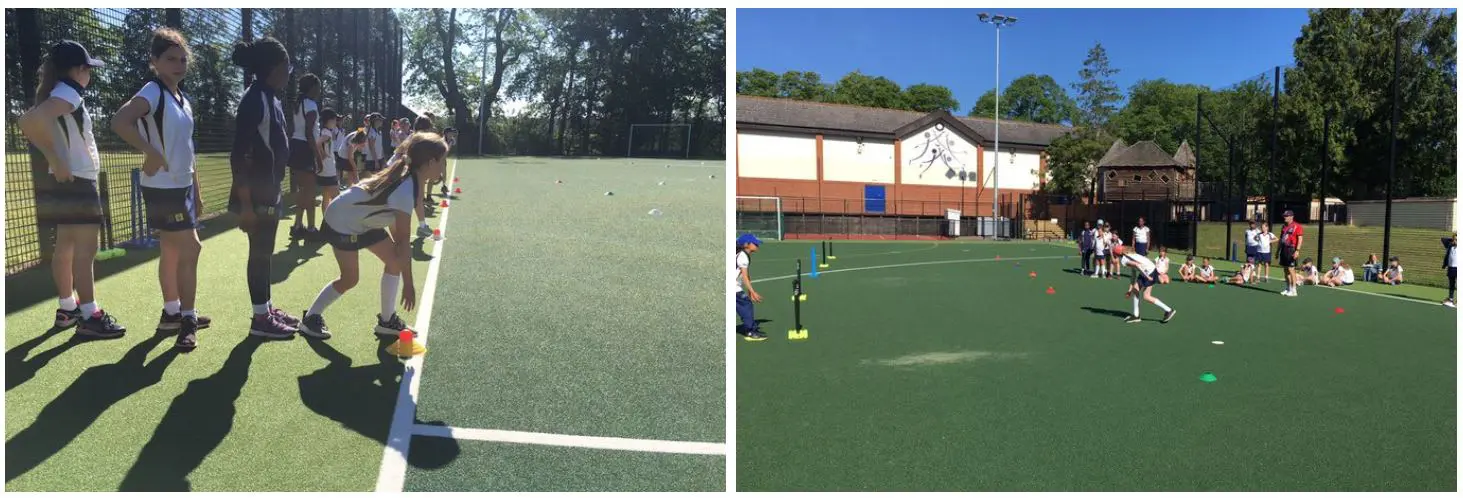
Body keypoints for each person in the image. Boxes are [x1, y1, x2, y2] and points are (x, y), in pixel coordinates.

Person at [18, 40, 127, 339]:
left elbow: (32, 121)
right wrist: (56, 159)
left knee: (65, 245)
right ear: (79, 70)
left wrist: (56, 161)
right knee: (85, 249)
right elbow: (28, 121)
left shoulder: (59, 92)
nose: (89, 74)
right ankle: (90, 315)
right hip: (78, 180)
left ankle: (68, 308)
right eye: (88, 69)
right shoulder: (69, 92)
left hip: (67, 181)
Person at [111, 28, 211, 348]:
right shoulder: (153, 91)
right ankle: (188, 318)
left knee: (171, 249)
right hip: (162, 187)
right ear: (155, 61)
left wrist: (195, 189)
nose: (179, 64)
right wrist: (151, 152)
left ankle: (171, 314)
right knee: (191, 248)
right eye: (171, 59)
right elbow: (120, 121)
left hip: (180, 186)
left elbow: (187, 148)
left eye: (183, 59)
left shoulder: (183, 99)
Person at [298, 133, 446, 340]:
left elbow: (396, 232)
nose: (443, 166)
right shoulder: (406, 188)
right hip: (342, 221)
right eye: (442, 161)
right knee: (350, 279)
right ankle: (310, 318)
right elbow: (403, 241)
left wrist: (401, 263)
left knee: (394, 261)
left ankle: (387, 322)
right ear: (431, 162)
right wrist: (409, 285)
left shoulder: (412, 180)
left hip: (363, 221)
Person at [228, 36, 300, 338]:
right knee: (259, 252)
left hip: (269, 190)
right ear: (274, 68)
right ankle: (260, 319)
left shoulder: (270, 97)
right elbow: (239, 156)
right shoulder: (254, 99)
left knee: (265, 251)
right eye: (288, 67)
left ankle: (266, 306)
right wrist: (245, 205)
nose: (290, 72)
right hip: (254, 195)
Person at [288, 72, 324, 240]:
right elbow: (309, 132)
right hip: (305, 148)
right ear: (312, 88)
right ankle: (310, 229)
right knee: (309, 191)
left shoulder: (299, 103)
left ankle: (297, 226)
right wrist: (317, 156)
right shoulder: (310, 104)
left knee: (303, 190)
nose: (319, 90)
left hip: (296, 147)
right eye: (317, 87)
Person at [1114, 244, 1177, 324]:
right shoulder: (1130, 253)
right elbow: (1134, 273)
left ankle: (1168, 310)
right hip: (1150, 268)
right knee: (1136, 289)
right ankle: (1136, 315)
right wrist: (1130, 290)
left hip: (1147, 272)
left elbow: (1137, 265)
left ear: (1117, 254)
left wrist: (1147, 276)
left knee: (1146, 296)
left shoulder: (1124, 260)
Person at [734, 233, 766, 341]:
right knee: (746, 305)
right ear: (747, 244)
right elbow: (745, 277)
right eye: (755, 243)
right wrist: (753, 291)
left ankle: (750, 327)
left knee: (744, 305)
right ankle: (750, 331)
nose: (757, 245)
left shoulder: (743, 254)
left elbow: (747, 275)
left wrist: (749, 291)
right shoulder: (743, 256)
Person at [315, 109, 343, 214]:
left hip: (326, 168)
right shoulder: (327, 132)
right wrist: (323, 154)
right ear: (330, 120)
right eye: (335, 120)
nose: (336, 123)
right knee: (337, 197)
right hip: (328, 169)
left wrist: (322, 154)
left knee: (326, 195)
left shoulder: (324, 131)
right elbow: (318, 143)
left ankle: (326, 222)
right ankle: (337, 223)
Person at [1277, 210, 1304, 296]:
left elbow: (1300, 239)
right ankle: (1288, 288)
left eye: (1286, 216)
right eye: (1284, 216)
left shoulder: (1297, 226)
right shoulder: (1283, 226)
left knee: (1291, 269)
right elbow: (1281, 240)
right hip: (1284, 249)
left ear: (1291, 217)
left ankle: (1294, 290)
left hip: (1291, 249)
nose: (1285, 217)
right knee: (1285, 270)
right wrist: (1278, 251)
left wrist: (1297, 250)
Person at [1443, 234, 1457, 308]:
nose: (1455, 241)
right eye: (1454, 239)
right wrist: (1452, 239)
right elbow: (1443, 239)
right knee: (1451, 284)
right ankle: (1450, 299)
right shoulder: (1450, 246)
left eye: (1456, 240)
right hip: (1451, 268)